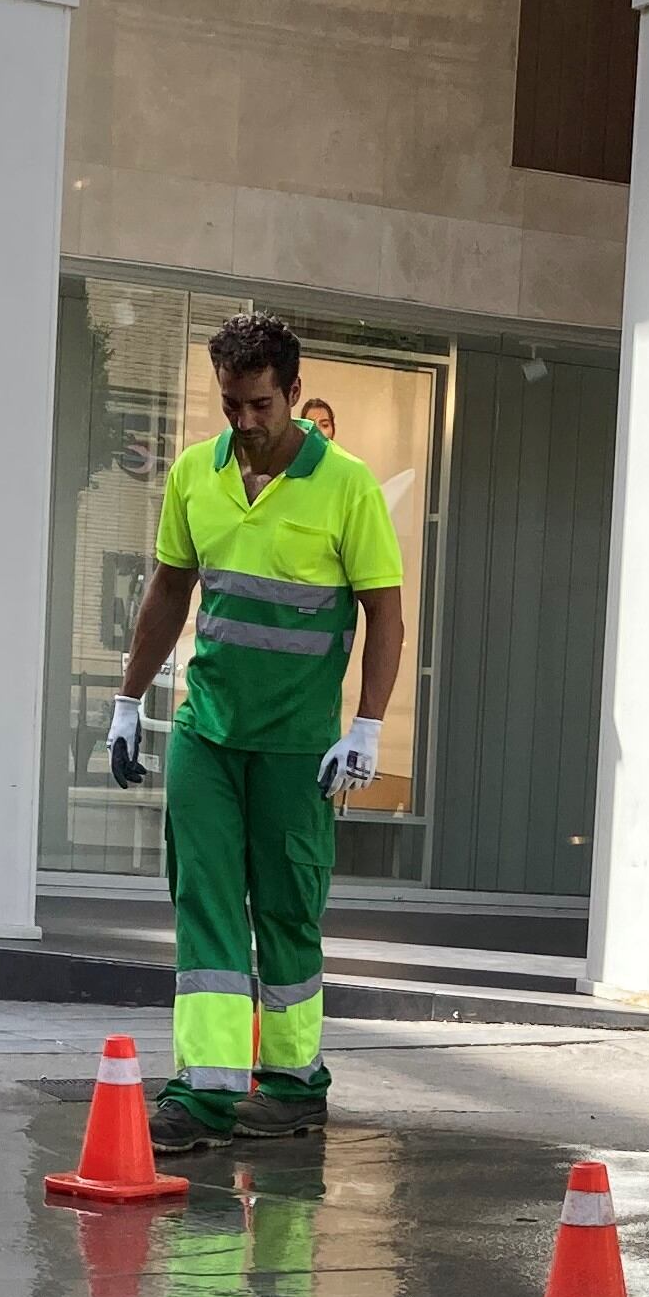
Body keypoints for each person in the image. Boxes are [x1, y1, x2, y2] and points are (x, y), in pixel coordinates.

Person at [110, 307, 405, 1153]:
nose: (244, 423)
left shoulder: (345, 485)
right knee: (202, 904)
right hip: (208, 732)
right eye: (231, 404)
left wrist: (369, 726)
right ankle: (201, 1094)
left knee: (285, 912)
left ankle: (292, 1082)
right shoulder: (195, 477)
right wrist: (129, 702)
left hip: (297, 747)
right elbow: (169, 591)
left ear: (294, 392)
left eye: (261, 406)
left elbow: (384, 614)